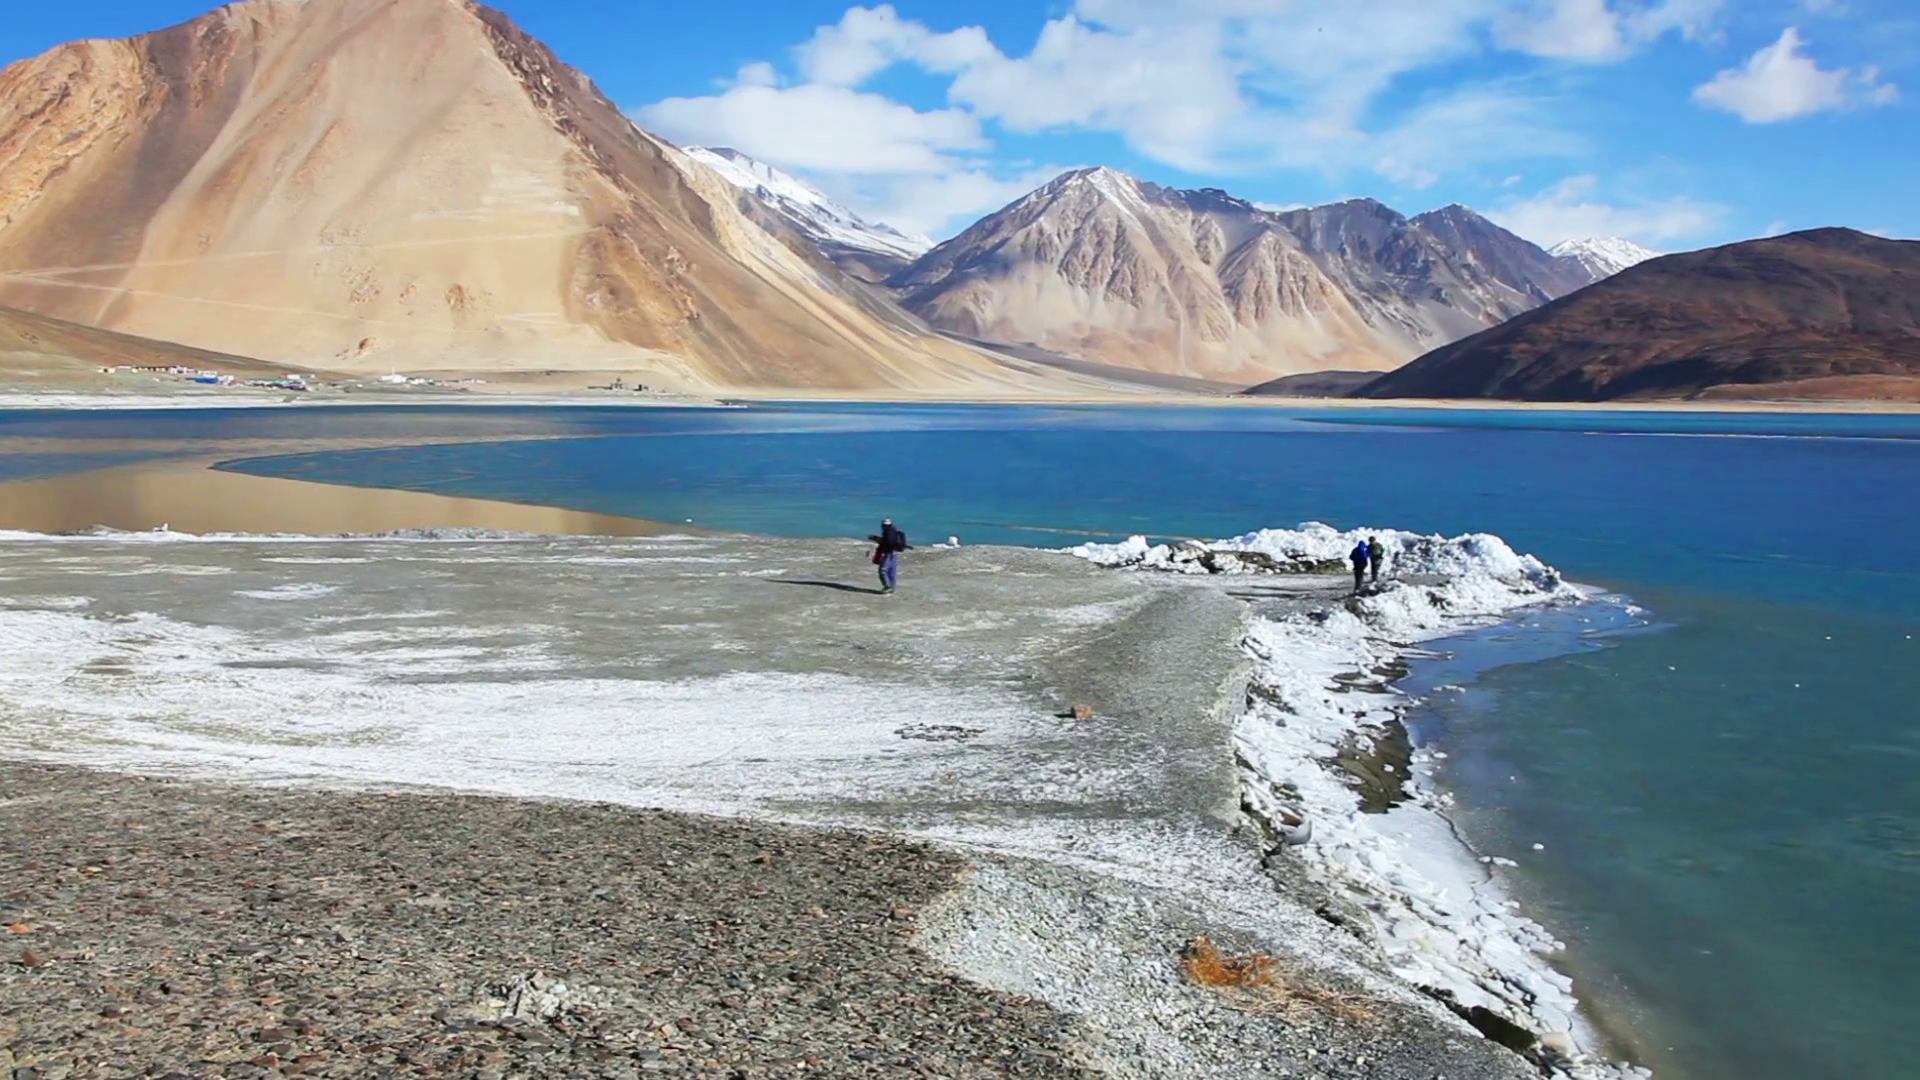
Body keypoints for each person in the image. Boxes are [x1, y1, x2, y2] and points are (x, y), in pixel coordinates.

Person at [868, 518, 911, 594]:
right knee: (892, 571)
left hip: (888, 553)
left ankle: (887, 586)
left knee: (883, 570)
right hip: (894, 553)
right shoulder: (894, 532)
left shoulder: (888, 532)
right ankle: (892, 587)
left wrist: (876, 539)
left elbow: (887, 542)